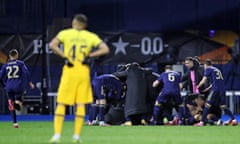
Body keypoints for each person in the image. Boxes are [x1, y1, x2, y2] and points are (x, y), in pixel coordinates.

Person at [49, 13, 109, 143]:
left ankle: (57, 135)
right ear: (85, 25)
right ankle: (76, 136)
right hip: (83, 72)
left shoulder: (65, 33)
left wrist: (64, 56)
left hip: (69, 71)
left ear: (73, 23)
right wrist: (91, 55)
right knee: (81, 103)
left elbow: (52, 45)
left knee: (61, 103)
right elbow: (105, 49)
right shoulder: (90, 36)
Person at [195, 59, 238, 126]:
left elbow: (203, 80)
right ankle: (234, 120)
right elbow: (216, 82)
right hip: (222, 90)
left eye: (204, 66)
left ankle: (202, 122)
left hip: (215, 90)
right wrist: (208, 88)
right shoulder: (217, 70)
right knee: (223, 106)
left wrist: (197, 86)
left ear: (206, 65)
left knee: (207, 105)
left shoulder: (208, 69)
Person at [0, 49, 34, 128]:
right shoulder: (20, 63)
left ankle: (15, 123)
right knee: (20, 97)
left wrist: (4, 85)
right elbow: (26, 72)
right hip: (18, 86)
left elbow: (0, 77)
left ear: (9, 56)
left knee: (10, 104)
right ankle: (18, 102)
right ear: (17, 55)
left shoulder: (5, 65)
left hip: (9, 87)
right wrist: (30, 82)